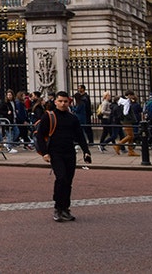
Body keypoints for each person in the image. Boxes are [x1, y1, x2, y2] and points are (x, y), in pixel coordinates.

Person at [34, 90, 92, 222]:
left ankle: (65, 208)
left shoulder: (73, 118)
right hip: (55, 153)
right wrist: (45, 153)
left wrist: (86, 151)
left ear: (69, 102)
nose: (63, 104)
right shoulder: (48, 116)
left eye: (65, 101)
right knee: (61, 179)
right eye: (60, 101)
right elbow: (40, 136)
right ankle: (58, 208)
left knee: (68, 181)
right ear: (55, 102)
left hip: (69, 152)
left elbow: (80, 136)